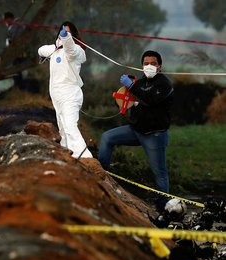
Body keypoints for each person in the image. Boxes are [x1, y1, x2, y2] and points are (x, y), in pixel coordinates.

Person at [98, 50, 174, 210]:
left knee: (159, 173)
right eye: (146, 63)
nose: (149, 66)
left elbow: (150, 99)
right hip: (136, 130)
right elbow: (127, 101)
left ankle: (163, 208)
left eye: (153, 63)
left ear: (159, 66)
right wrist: (121, 99)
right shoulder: (140, 83)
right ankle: (100, 175)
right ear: (142, 66)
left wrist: (131, 86)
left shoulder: (164, 84)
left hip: (154, 135)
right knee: (107, 138)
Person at [37, 21, 92, 158]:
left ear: (73, 35)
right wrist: (41, 54)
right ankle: (67, 154)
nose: (64, 34)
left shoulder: (77, 51)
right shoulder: (54, 49)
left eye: (68, 32)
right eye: (62, 31)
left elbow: (70, 49)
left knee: (70, 125)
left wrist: (66, 37)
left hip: (71, 94)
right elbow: (42, 49)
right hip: (57, 95)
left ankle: (84, 157)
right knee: (62, 128)